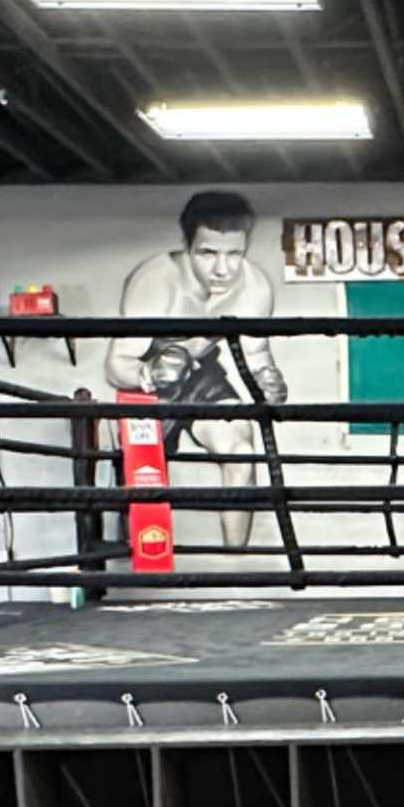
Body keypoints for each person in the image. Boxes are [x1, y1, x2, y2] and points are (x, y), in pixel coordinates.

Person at [108, 191, 287, 550]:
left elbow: (255, 356)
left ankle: (236, 566)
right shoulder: (157, 281)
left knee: (240, 450)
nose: (223, 269)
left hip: (201, 374)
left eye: (234, 254)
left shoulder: (253, 288)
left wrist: (270, 382)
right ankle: (134, 557)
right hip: (146, 383)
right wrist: (150, 374)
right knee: (142, 485)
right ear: (188, 246)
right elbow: (117, 365)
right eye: (208, 253)